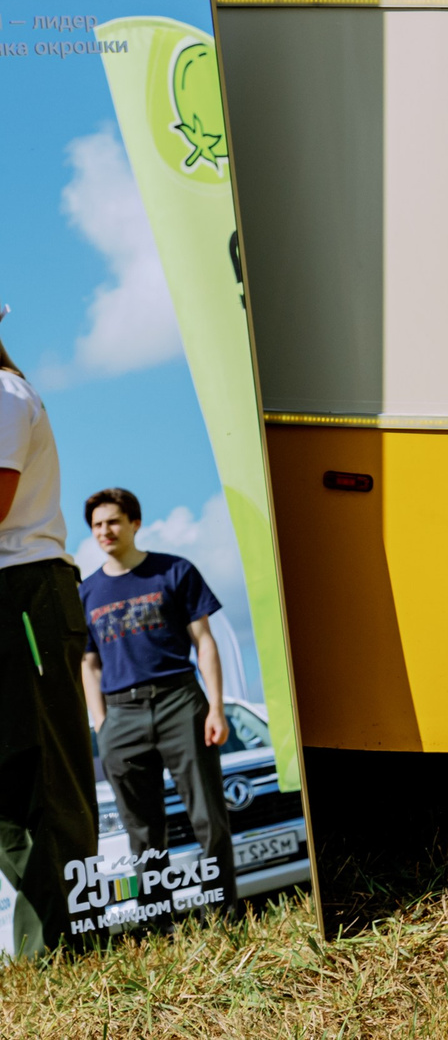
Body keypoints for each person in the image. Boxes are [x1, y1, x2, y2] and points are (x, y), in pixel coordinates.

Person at [79, 487, 235, 905]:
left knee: (208, 816)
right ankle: (157, 920)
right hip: (120, 714)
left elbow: (204, 641)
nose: (104, 531)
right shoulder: (87, 593)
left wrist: (215, 707)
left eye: (112, 521)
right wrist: (101, 723)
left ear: (134, 523)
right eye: (96, 525)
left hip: (179, 701)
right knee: (141, 829)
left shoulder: (175, 571)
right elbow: (88, 664)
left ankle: (222, 911)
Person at [0, 315, 97, 953]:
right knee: (9, 790)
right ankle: (50, 945)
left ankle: (60, 952)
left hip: (26, 591)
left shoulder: (5, 394)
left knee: (50, 776)